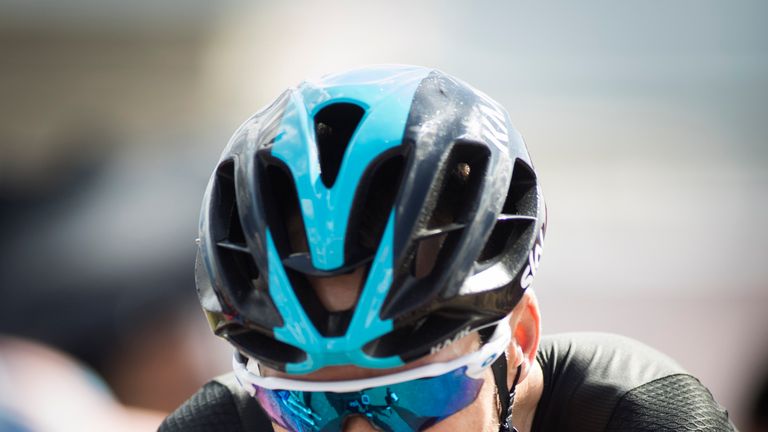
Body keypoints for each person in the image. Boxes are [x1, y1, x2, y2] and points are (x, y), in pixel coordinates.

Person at [161, 65, 736, 431]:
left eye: (414, 397)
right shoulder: (219, 425)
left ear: (519, 344)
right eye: (306, 407)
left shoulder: (638, 417)